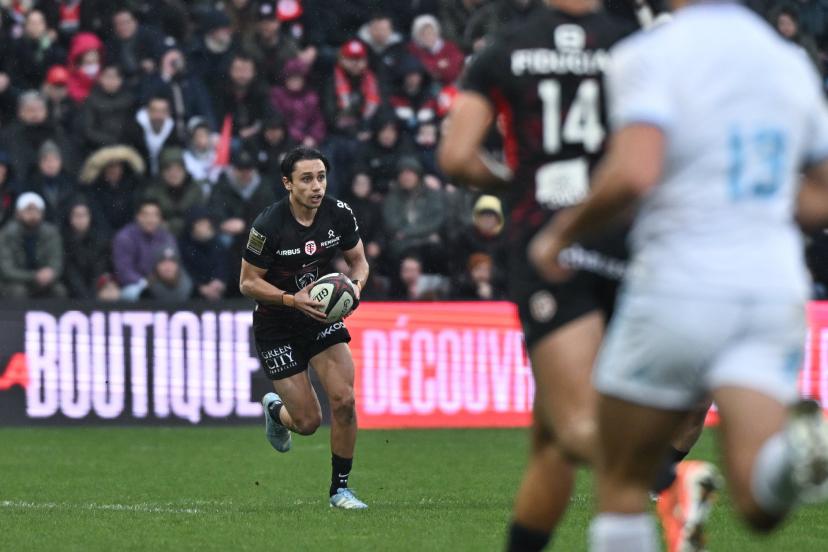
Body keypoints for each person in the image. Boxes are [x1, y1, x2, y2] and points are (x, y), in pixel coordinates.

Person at [526, 1, 828, 551]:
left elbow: (635, 171)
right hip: (772, 289)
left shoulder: (651, 53)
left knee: (622, 476)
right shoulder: (789, 62)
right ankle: (796, 456)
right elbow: (822, 192)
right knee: (759, 502)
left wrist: (561, 235)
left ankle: (684, 483)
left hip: (681, 283)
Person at [437, 2, 636, 550]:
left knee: (573, 427)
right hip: (623, 235)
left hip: (548, 240)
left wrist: (514, 179)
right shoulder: (632, 42)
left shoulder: (504, 50)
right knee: (549, 438)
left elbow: (456, 158)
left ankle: (666, 479)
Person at [239, 146, 370, 509]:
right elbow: (248, 283)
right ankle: (276, 412)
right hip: (277, 324)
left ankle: (340, 489)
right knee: (308, 421)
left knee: (344, 400)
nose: (317, 186)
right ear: (287, 183)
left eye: (321, 177)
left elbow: (359, 263)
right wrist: (291, 299)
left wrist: (355, 288)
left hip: (319, 318)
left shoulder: (339, 214)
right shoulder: (268, 225)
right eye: (307, 179)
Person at [0, 192, 65, 298]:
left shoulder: (51, 233)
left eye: (36, 210)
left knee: (58, 290)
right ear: (18, 213)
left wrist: (50, 273)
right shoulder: (6, 234)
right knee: (18, 291)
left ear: (42, 213)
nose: (32, 214)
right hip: (14, 282)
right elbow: (6, 270)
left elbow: (56, 262)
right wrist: (34, 276)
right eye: (28, 209)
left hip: (42, 281)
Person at [112, 198, 178, 301]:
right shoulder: (125, 237)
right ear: (138, 216)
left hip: (162, 283)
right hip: (135, 285)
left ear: (160, 218)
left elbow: (174, 265)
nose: (150, 219)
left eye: (155, 215)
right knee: (136, 293)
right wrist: (145, 283)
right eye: (146, 215)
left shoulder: (167, 237)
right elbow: (124, 271)